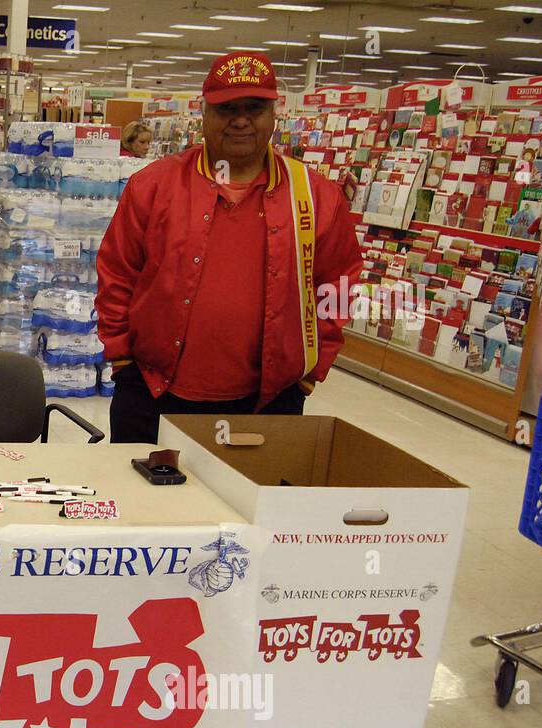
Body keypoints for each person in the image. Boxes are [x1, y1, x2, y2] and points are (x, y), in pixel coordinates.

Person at [95, 52, 362, 444]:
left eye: (254, 108)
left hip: (269, 403)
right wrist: (122, 359)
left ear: (274, 115)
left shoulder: (315, 196)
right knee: (146, 503)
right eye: (226, 109)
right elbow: (117, 272)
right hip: (150, 393)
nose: (241, 120)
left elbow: (337, 285)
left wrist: (310, 372)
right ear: (204, 114)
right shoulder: (154, 186)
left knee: (246, 505)